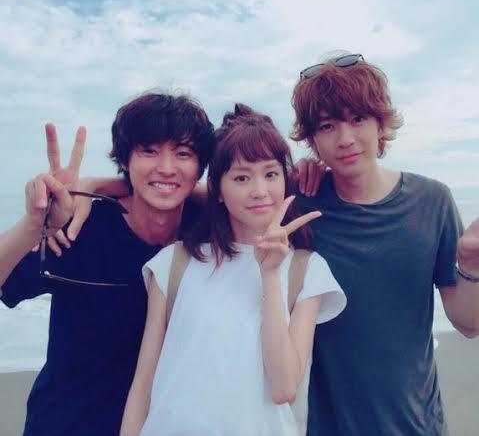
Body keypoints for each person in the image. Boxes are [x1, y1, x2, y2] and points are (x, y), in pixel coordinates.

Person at [119, 104, 346, 436]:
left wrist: (270, 275)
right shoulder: (176, 262)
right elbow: (143, 385)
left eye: (271, 174)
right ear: (218, 191)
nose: (259, 190)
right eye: (241, 177)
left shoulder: (306, 269)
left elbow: (284, 387)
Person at [0, 92, 215, 436]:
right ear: (125, 160)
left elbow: (251, 193)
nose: (166, 166)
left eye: (183, 154)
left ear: (200, 166)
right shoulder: (79, 227)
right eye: (148, 151)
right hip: (66, 425)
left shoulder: (209, 234)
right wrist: (33, 224)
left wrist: (96, 184)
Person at [290, 52, 479, 436]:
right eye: (327, 126)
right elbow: (222, 194)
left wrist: (472, 268)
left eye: (358, 118)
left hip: (416, 424)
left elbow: (469, 324)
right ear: (313, 140)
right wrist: (285, 176)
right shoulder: (301, 203)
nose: (345, 139)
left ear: (381, 123)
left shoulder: (432, 201)